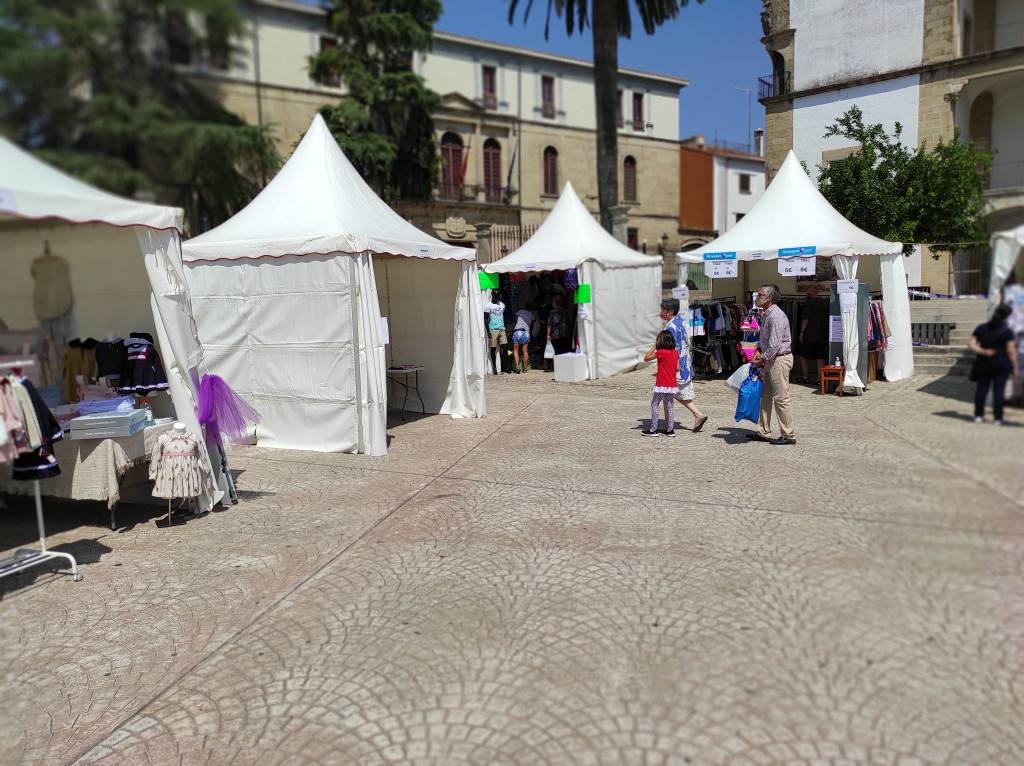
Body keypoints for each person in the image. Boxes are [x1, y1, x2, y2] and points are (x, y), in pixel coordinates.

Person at [749, 283, 796, 445]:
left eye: (760, 295)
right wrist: (759, 349)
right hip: (771, 359)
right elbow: (766, 339)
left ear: (769, 298)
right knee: (765, 397)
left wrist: (760, 359)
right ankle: (763, 431)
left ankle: (788, 435)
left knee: (781, 398)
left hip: (779, 359)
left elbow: (775, 344)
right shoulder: (766, 314)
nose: (757, 298)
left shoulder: (776, 316)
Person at [659, 298, 708, 433]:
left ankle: (669, 426)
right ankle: (697, 414)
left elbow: (672, 349)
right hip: (684, 365)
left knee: (667, 393)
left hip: (675, 366)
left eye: (664, 310)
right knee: (679, 393)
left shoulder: (671, 327)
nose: (662, 313)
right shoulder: (680, 322)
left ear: (670, 312)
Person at [969, 303, 1018, 424]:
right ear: (1007, 316)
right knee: (999, 391)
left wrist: (983, 351)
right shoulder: (1007, 332)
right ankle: (998, 418)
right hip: (1001, 363)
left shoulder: (981, 328)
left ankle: (978, 416)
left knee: (981, 389)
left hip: (983, 363)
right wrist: (1015, 367)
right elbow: (1011, 350)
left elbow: (971, 344)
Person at [642, 331, 680, 436]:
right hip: (671, 384)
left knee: (654, 404)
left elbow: (646, 357)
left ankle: (653, 429)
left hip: (662, 384)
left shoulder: (661, 352)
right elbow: (677, 368)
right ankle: (670, 429)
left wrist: (654, 346)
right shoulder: (675, 352)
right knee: (669, 406)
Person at [798, 284, 829, 383]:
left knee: (802, 355)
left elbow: (805, 319)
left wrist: (802, 332)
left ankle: (805, 376)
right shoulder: (825, 303)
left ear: (810, 294)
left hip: (810, 335)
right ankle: (820, 379)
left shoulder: (809, 303)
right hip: (823, 335)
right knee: (820, 356)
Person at [482, 290, 507, 375]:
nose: (498, 297)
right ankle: (495, 368)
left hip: (502, 328)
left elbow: (503, 315)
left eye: (498, 295)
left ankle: (505, 367)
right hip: (493, 329)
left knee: (505, 347)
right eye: (496, 295)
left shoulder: (502, 305)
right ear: (492, 295)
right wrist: (488, 330)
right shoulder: (488, 306)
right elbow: (485, 319)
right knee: (493, 348)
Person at [512, 302, 534, 374]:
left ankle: (517, 368)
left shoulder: (519, 312)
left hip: (517, 331)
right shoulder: (531, 315)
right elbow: (532, 324)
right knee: (525, 351)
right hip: (526, 332)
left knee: (516, 350)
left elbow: (515, 321)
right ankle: (524, 369)